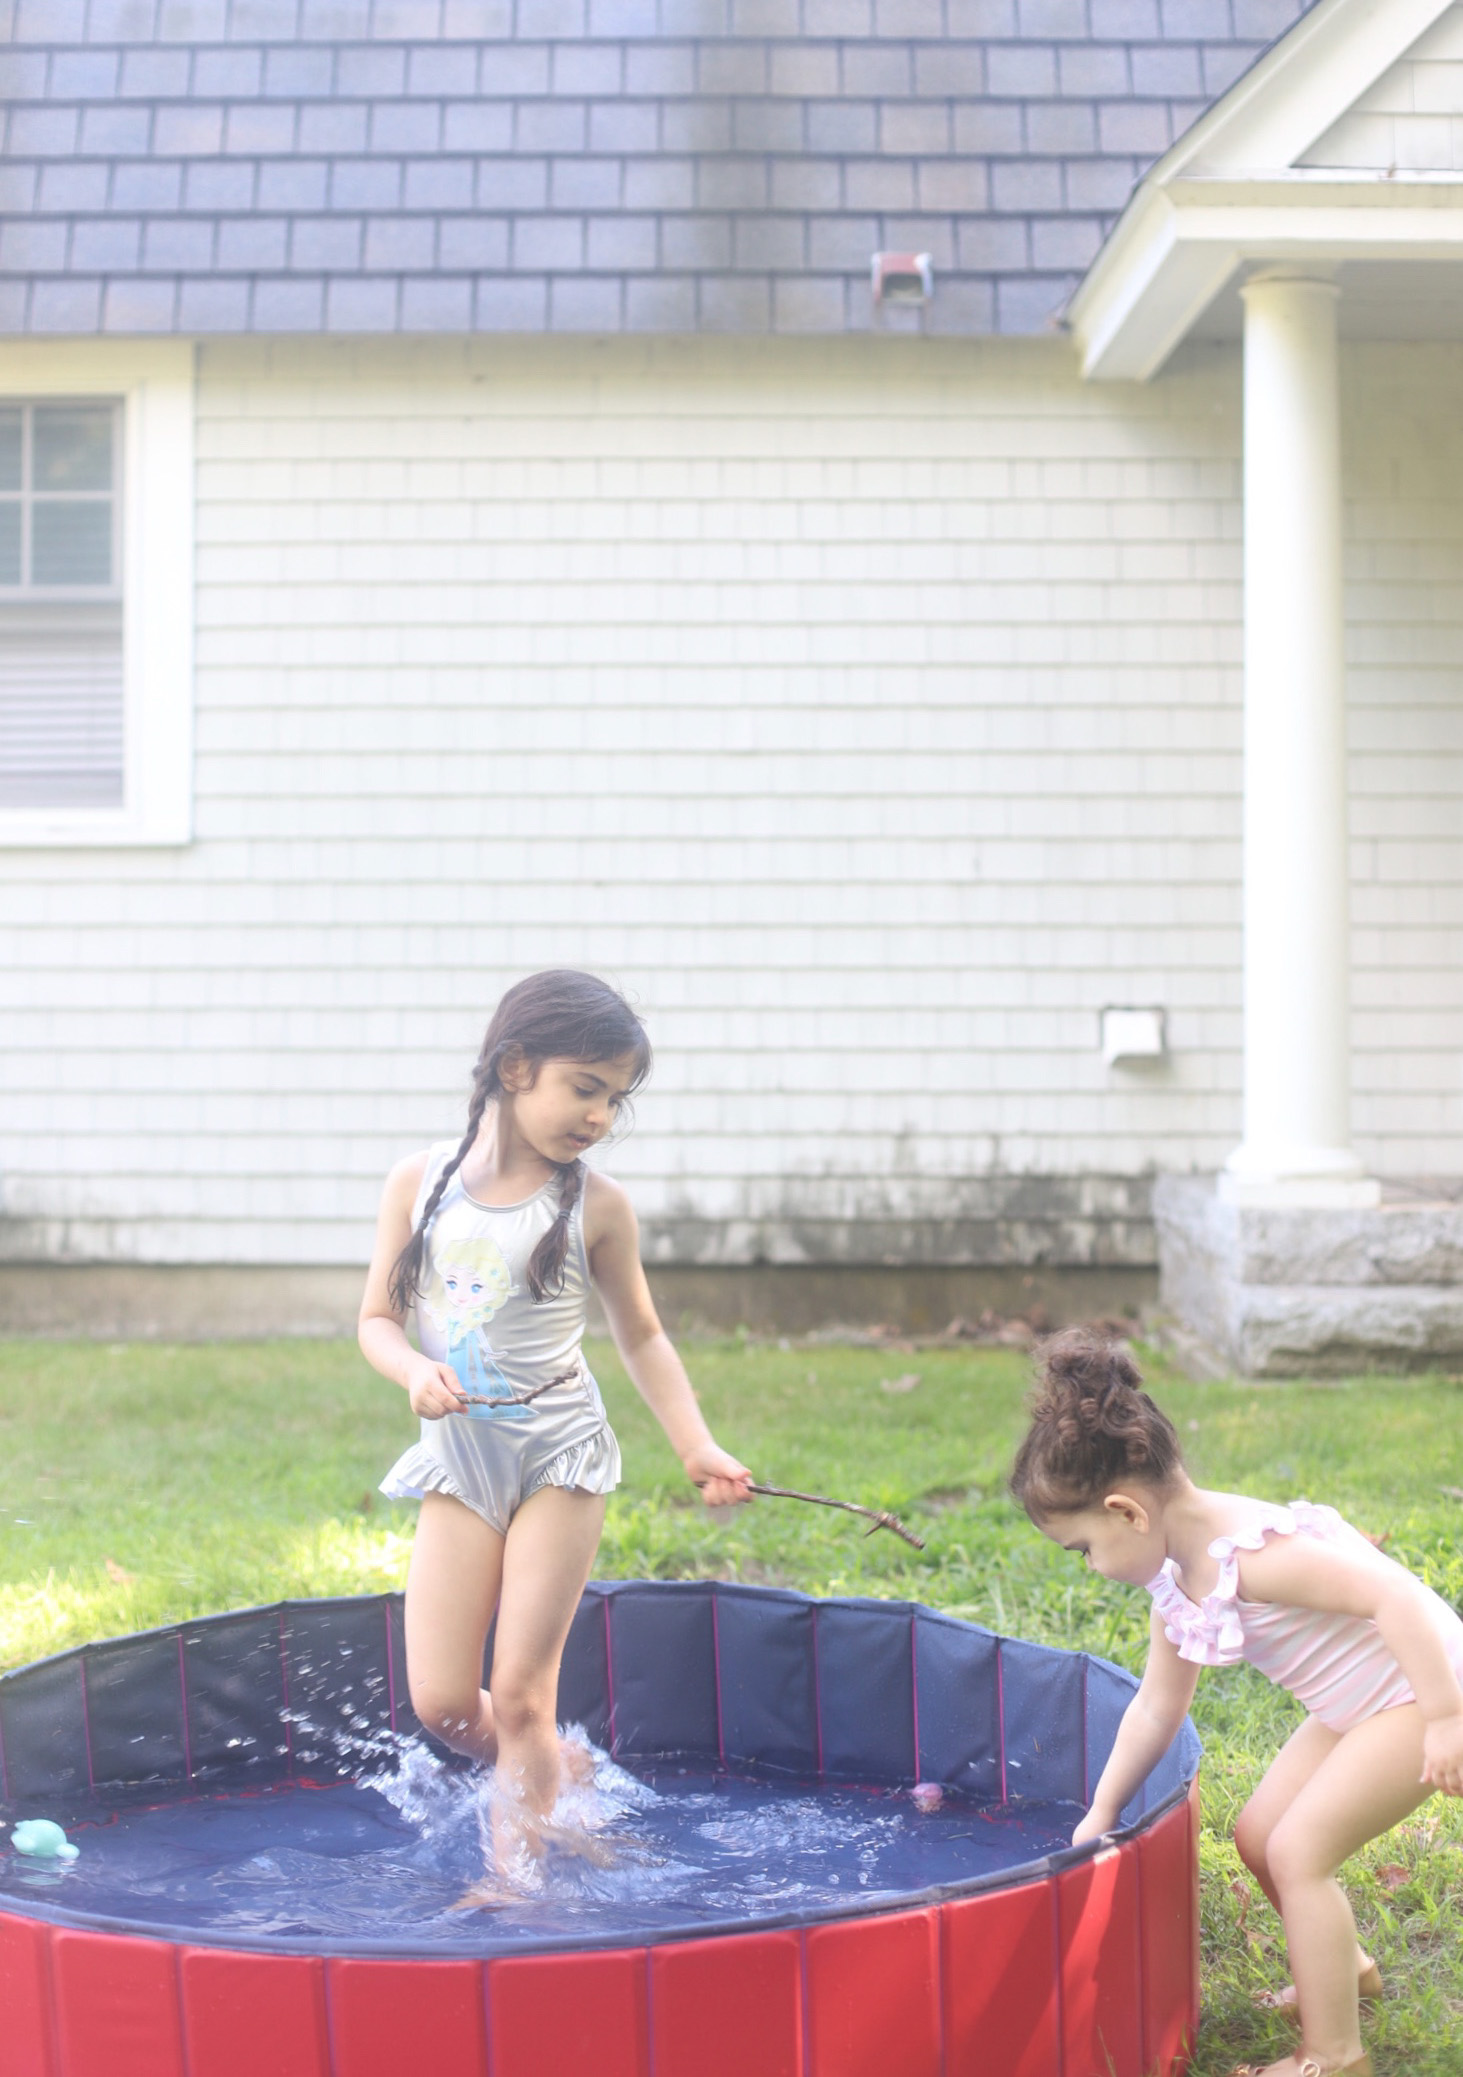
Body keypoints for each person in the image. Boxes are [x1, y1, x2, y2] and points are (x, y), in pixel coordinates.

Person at [359, 969, 752, 1877]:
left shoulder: (597, 1209)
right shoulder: (418, 1184)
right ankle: (558, 1773)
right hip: (460, 1458)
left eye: (614, 1098)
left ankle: (514, 1884)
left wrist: (694, 1444)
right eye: (586, 1087)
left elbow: (643, 1335)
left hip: (559, 1457)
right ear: (514, 1066)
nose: (599, 1116)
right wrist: (415, 1369)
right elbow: (376, 1319)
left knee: (525, 1695)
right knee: (445, 1703)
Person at [1009, 1329, 1463, 2077]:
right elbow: (1157, 1706)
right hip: (1361, 1703)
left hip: (1421, 1693)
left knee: (1296, 1852)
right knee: (1258, 1834)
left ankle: (1333, 2053)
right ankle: (1343, 1969)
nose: (1088, 1569)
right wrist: (1100, 1810)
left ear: (1126, 1511)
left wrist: (1446, 1718)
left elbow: (1395, 1594)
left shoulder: (1252, 1557)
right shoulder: (1176, 1574)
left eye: (1080, 1548)